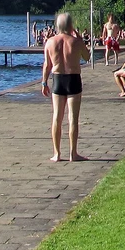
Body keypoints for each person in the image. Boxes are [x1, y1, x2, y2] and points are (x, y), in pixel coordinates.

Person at [41, 13, 88, 162]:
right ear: (70, 25)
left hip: (58, 79)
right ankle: (73, 153)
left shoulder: (50, 42)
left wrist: (44, 82)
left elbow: (47, 65)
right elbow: (87, 57)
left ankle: (57, 153)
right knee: (73, 118)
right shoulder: (76, 42)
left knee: (57, 117)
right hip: (73, 79)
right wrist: (79, 38)